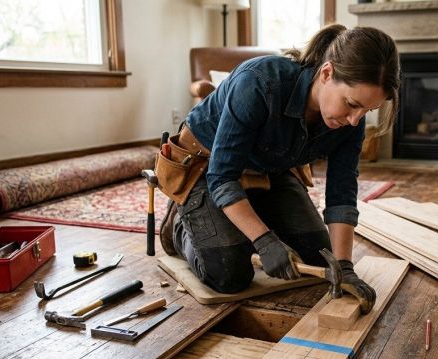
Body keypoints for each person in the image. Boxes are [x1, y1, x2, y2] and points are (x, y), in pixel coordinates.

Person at [159, 24, 400, 313]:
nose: (354, 120)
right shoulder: (259, 81)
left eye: (367, 111)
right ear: (326, 73)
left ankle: (243, 222)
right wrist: (263, 240)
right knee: (228, 272)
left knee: (320, 261)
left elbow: (342, 194)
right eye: (351, 104)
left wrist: (345, 267)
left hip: (268, 170)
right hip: (207, 167)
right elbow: (223, 177)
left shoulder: (352, 121)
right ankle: (180, 228)